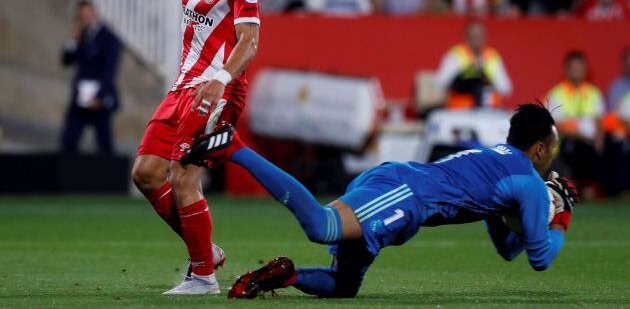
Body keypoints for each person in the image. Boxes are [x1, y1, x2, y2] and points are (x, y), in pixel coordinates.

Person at [182, 103, 578, 299]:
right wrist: (560, 219)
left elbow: (509, 250)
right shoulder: (526, 183)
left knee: (344, 286)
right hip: (403, 194)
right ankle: (234, 147)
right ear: (541, 148)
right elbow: (539, 259)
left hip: (401, 186)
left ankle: (286, 275)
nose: (555, 153)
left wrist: (534, 220)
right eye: (554, 146)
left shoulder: (498, 162)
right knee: (322, 226)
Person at [130, 0, 276, 295]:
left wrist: (220, 80)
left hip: (216, 88)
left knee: (183, 176)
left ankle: (203, 277)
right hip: (184, 86)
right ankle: (204, 250)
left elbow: (250, 40)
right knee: (145, 174)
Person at [60, 0, 121, 155]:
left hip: (99, 99)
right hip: (80, 98)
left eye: (88, 15)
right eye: (82, 16)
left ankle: (109, 176)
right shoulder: (82, 38)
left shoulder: (109, 38)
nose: (85, 19)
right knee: (69, 140)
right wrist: (73, 40)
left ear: (95, 14)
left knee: (104, 143)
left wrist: (100, 95)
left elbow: (110, 70)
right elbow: (66, 60)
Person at [547, 51, 605, 198]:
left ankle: (594, 187)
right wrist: (580, 135)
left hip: (589, 143)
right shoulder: (557, 94)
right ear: (566, 69)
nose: (577, 71)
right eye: (573, 68)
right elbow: (556, 126)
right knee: (576, 147)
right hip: (566, 143)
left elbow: (599, 122)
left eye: (580, 67)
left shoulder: (594, 93)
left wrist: (599, 142)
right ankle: (578, 186)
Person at [435, 21, 512, 108]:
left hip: (489, 112)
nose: (476, 39)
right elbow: (441, 84)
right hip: (461, 111)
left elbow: (506, 89)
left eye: (479, 36)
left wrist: (487, 77)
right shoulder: (455, 55)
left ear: (485, 37)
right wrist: (467, 70)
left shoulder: (492, 56)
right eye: (473, 36)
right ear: (466, 37)